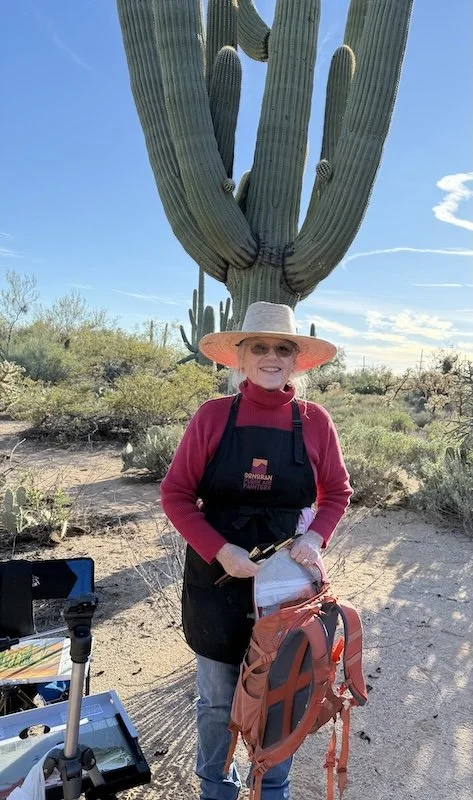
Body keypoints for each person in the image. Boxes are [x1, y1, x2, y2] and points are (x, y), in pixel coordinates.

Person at [160, 301, 352, 800]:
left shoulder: (315, 420)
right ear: (241, 358)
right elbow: (175, 494)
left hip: (288, 583)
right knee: (217, 700)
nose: (271, 357)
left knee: (283, 696)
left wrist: (313, 538)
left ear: (295, 361)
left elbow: (337, 492)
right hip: (217, 576)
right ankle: (216, 788)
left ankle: (271, 788)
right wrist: (220, 550)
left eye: (282, 349)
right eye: (259, 347)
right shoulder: (212, 416)